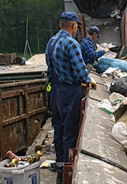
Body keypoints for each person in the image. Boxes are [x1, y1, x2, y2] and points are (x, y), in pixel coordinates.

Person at [45, 12, 94, 184]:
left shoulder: (51, 42)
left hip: (55, 91)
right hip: (70, 92)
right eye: (76, 27)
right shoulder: (71, 43)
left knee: (58, 128)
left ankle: (59, 166)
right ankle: (68, 169)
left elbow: (49, 70)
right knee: (70, 131)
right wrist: (90, 82)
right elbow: (81, 72)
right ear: (73, 25)